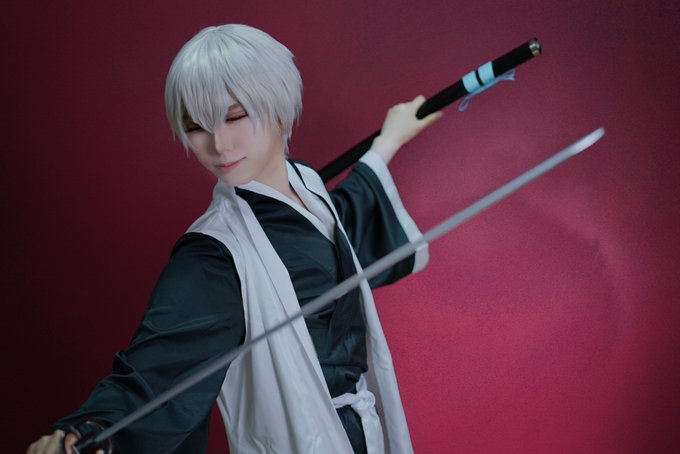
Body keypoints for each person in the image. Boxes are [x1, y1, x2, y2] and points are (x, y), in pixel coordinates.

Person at [27, 24, 442, 454]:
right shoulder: (213, 255)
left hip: (365, 432)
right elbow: (160, 366)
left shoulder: (307, 186)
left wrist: (389, 140)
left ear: (280, 109)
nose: (219, 145)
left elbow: (340, 231)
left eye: (235, 116)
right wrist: (90, 431)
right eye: (196, 126)